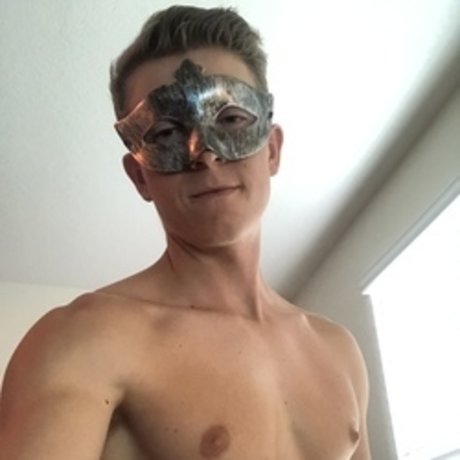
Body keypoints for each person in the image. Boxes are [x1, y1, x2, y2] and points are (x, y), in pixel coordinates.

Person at [0, 5, 371, 459]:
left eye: (230, 119)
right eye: (167, 132)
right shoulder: (82, 340)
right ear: (140, 177)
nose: (203, 153)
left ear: (272, 150)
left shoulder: (339, 352)